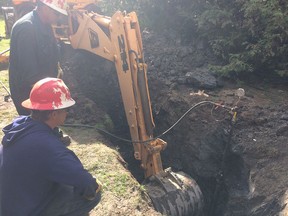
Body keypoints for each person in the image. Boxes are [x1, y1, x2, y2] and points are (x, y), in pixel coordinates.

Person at [0, 77, 101, 216]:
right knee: (94, 194)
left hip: (11, 204)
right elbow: (85, 181)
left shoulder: (22, 126)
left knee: (64, 185)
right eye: (65, 110)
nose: (67, 113)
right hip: (25, 210)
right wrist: (93, 187)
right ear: (54, 114)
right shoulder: (48, 147)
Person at [9, 0, 67, 115]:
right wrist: (51, 95)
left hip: (43, 90)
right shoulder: (27, 27)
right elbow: (30, 74)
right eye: (57, 13)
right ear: (46, 8)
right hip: (29, 94)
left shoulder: (45, 25)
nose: (59, 17)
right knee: (37, 127)